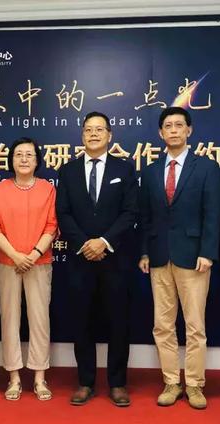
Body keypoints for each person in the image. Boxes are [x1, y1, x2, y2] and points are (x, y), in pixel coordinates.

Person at [139, 106, 220, 409]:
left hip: (194, 257)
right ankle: (171, 382)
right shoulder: (150, 171)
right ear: (160, 133)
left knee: (195, 325)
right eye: (168, 126)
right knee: (162, 325)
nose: (173, 130)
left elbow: (213, 213)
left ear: (189, 130)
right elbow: (145, 216)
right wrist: (144, 251)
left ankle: (196, 385)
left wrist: (208, 252)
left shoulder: (206, 167)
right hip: (159, 256)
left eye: (179, 125)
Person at [56, 111, 138, 407]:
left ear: (109, 135)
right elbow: (63, 213)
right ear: (82, 135)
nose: (93, 134)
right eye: (88, 130)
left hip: (115, 259)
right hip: (80, 260)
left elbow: (130, 212)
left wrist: (103, 242)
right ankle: (85, 382)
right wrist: (84, 243)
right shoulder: (68, 171)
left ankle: (117, 383)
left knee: (118, 322)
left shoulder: (124, 169)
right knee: (82, 322)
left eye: (99, 129)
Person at [0, 137, 57, 401]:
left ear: (37, 160)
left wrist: (34, 253)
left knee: (40, 319)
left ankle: (39, 377)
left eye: (29, 154)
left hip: (40, 262)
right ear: (11, 160)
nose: (24, 159)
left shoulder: (47, 189)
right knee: (9, 318)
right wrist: (15, 255)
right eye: (18, 154)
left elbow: (52, 225)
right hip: (7, 262)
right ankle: (13, 377)